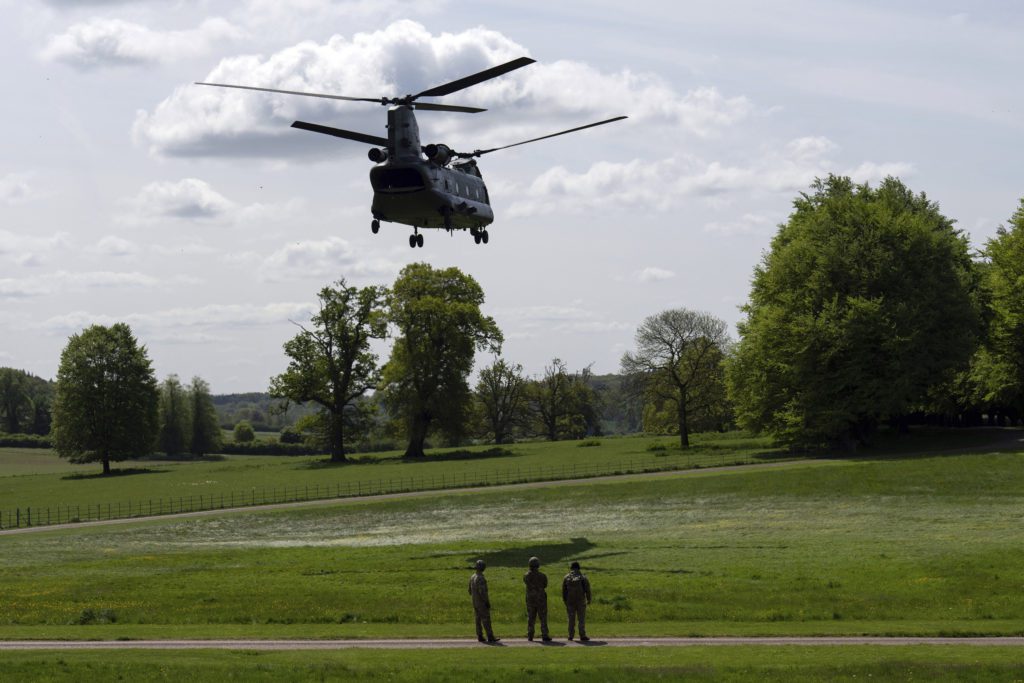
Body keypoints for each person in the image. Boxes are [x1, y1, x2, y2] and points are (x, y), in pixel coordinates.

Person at [469, 559, 499, 643]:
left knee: (477, 620)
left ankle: (480, 636)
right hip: (481, 602)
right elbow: (483, 592)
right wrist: (486, 602)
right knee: (486, 619)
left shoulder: (472, 577)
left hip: (475, 601)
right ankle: (490, 636)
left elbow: (469, 590)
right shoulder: (481, 578)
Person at [523, 556, 552, 642]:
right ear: (538, 565)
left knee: (531, 617)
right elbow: (545, 585)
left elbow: (526, 582)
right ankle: (545, 634)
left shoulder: (526, 576)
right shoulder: (542, 576)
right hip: (541, 599)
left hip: (530, 599)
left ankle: (530, 635)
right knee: (543, 617)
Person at [562, 560, 592, 641]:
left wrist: (565, 601)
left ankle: (570, 635)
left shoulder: (566, 577)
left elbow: (564, 591)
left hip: (570, 601)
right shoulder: (583, 577)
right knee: (581, 619)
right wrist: (589, 599)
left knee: (571, 619)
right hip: (581, 601)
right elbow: (587, 590)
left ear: (571, 568)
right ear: (579, 568)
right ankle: (582, 635)